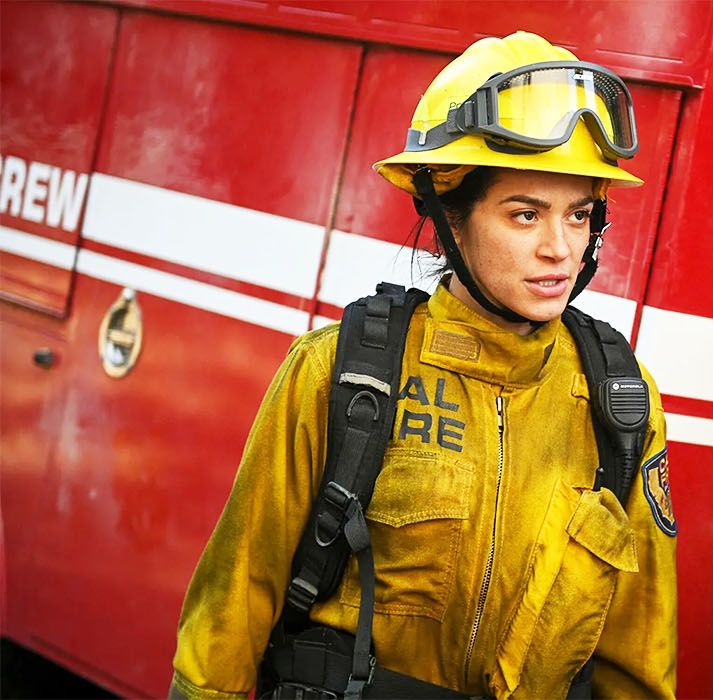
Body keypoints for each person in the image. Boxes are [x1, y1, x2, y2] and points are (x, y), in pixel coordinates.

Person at [170, 31, 677, 700]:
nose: (561, 248)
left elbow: (638, 663)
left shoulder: (621, 401)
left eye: (579, 215)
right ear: (449, 216)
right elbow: (232, 611)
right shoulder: (338, 372)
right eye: (525, 215)